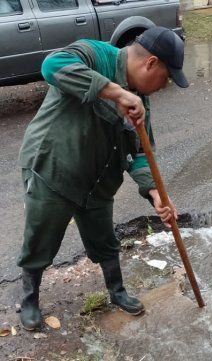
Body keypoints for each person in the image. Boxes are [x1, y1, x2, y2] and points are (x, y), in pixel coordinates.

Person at [16, 26, 188, 330]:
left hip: (97, 182)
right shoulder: (94, 55)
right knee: (41, 238)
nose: (165, 86)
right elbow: (51, 66)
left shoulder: (141, 102)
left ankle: (116, 290)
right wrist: (115, 91)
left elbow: (140, 153)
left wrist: (155, 192)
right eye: (167, 77)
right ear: (151, 63)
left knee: (104, 240)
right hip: (53, 170)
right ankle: (29, 299)